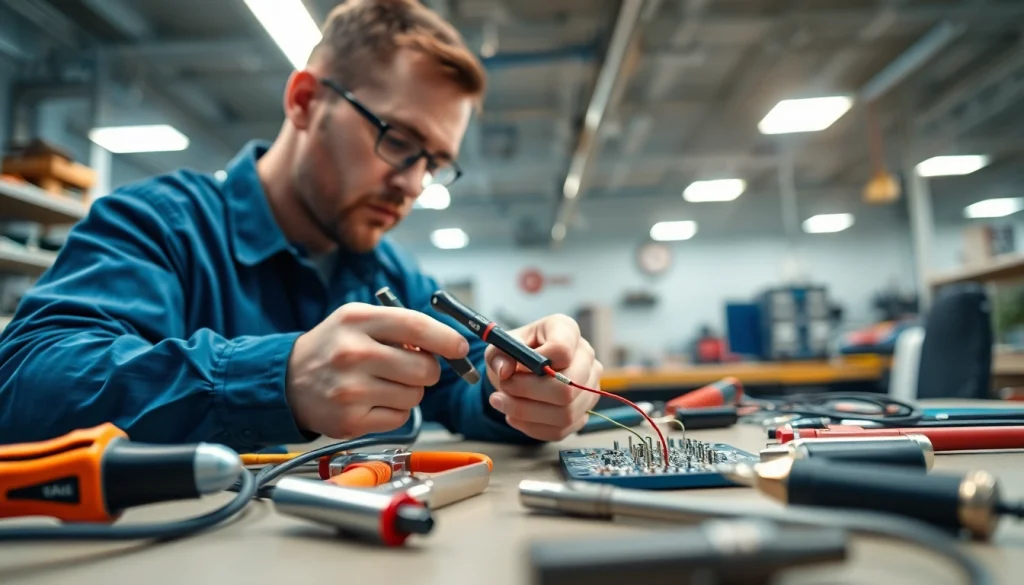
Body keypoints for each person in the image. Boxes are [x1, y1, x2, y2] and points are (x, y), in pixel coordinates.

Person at [0, 0, 602, 450]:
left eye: (435, 163)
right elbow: (26, 383)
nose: (414, 183)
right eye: (398, 140)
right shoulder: (158, 225)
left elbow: (461, 390)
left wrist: (524, 393)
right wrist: (277, 378)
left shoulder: (389, 273)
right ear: (306, 101)